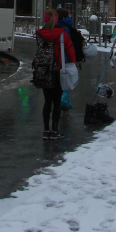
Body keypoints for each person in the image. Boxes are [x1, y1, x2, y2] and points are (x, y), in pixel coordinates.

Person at [36, 8, 76, 139]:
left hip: (44, 71)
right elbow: (70, 52)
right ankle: (54, 130)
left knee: (47, 101)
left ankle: (45, 130)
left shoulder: (40, 34)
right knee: (57, 101)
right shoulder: (62, 33)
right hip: (58, 71)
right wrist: (72, 65)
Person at [56, 7, 79, 111]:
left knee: (62, 79)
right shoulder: (68, 26)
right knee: (65, 78)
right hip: (66, 57)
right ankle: (65, 101)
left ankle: (63, 101)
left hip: (61, 57)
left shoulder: (60, 27)